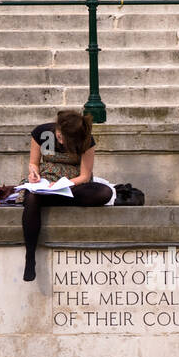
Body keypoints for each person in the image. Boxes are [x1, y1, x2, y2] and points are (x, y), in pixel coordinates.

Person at [21, 109, 113, 282]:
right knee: (32, 197)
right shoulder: (41, 132)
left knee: (104, 193)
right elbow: (34, 163)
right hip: (47, 181)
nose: (60, 140)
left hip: (73, 184)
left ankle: (50, 197)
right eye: (59, 135)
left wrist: (63, 185)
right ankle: (30, 257)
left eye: (64, 139)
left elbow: (85, 176)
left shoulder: (86, 141)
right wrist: (33, 173)